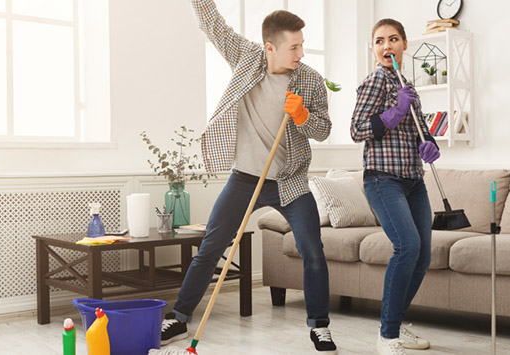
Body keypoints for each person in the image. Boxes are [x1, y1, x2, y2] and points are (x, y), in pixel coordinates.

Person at [160, 1, 336, 353]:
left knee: (312, 250)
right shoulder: (247, 57)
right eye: (294, 46)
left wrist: (302, 115)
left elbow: (324, 130)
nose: (301, 52)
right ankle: (179, 317)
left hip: (290, 181)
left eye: (302, 44)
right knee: (210, 247)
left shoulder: (311, 80)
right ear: (270, 47)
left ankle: (319, 326)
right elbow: (213, 25)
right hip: (245, 178)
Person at [350, 18, 440, 355]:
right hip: (382, 178)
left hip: (414, 180)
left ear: (404, 44)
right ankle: (387, 337)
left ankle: (397, 326)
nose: (386, 46)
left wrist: (428, 143)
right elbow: (358, 129)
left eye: (393, 39)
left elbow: (416, 131)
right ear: (374, 49)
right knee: (407, 246)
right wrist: (396, 110)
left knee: (422, 255)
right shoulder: (376, 80)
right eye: (379, 41)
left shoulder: (407, 85)